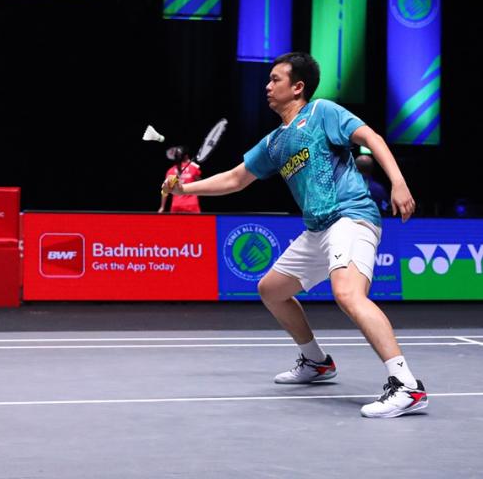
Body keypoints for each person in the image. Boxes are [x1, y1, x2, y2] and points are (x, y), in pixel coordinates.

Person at [163, 52, 426, 418]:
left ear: (297, 87)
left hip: (349, 216)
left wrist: (398, 183)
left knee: (348, 293)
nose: (267, 86)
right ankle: (317, 362)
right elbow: (237, 178)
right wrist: (185, 191)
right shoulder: (275, 142)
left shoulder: (322, 112)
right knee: (271, 290)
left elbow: (371, 136)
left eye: (275, 79)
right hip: (318, 228)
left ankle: (407, 385)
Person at [158, 146, 201, 213]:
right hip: (192, 204)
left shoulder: (171, 171)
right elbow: (200, 184)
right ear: (186, 156)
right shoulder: (193, 168)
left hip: (176, 205)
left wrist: (162, 207)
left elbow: (165, 191)